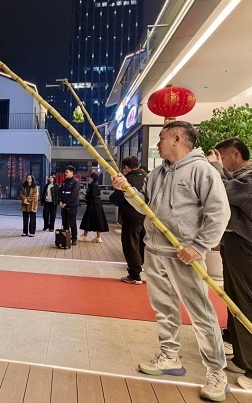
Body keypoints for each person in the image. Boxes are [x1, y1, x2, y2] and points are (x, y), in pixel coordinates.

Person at [111, 121, 230, 401]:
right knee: (164, 309)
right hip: (155, 251)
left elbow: (219, 212)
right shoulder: (157, 173)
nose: (157, 143)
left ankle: (216, 371)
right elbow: (145, 207)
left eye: (162, 138)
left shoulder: (202, 170)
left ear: (177, 139)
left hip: (184, 254)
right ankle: (169, 356)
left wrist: (199, 246)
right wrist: (127, 190)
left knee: (200, 313)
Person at [207, 138, 252, 390]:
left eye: (221, 157)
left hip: (246, 246)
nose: (219, 161)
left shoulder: (249, 177)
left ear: (235, 154)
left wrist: (215, 168)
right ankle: (242, 357)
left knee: (244, 302)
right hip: (236, 244)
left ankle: (251, 366)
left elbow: (226, 191)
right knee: (235, 299)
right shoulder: (240, 176)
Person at [110, 156, 147, 285]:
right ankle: (144, 268)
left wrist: (117, 188)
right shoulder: (148, 178)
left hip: (131, 217)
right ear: (138, 165)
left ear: (126, 167)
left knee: (131, 246)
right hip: (147, 217)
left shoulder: (126, 181)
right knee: (144, 244)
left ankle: (134, 274)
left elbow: (116, 200)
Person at [78, 172, 109, 243]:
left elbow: (91, 195)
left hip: (92, 204)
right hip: (98, 204)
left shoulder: (92, 185)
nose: (88, 178)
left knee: (88, 219)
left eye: (89, 177)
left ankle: (85, 236)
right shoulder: (97, 184)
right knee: (98, 220)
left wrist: (86, 195)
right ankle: (98, 237)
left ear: (92, 178)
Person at [59, 165, 80, 245]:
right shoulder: (64, 182)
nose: (65, 173)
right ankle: (66, 238)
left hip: (72, 206)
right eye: (65, 172)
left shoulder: (75, 182)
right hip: (64, 205)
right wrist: (60, 201)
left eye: (67, 172)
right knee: (65, 222)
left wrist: (66, 203)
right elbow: (61, 192)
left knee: (72, 222)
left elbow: (73, 195)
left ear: (72, 172)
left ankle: (74, 238)